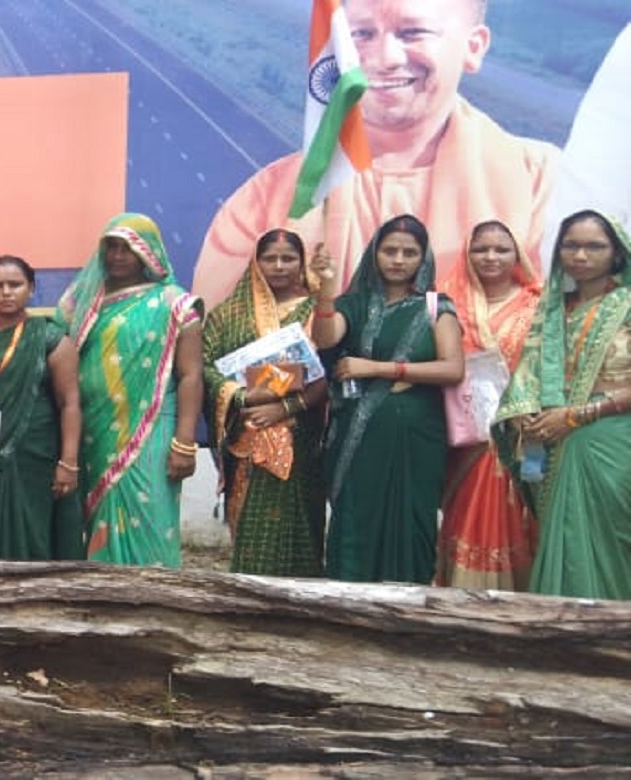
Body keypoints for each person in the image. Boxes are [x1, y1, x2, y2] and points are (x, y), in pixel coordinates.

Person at [195, 0, 557, 310]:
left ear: (473, 47)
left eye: (412, 33)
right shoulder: (265, 201)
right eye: (362, 34)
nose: (385, 59)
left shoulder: (538, 182)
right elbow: (218, 337)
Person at [312, 214, 466, 584]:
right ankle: (347, 604)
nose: (398, 260)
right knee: (355, 518)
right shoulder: (354, 303)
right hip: (358, 440)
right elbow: (326, 337)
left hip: (415, 439)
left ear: (423, 258)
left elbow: (452, 369)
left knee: (411, 523)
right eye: (390, 250)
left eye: (409, 253)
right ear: (374, 253)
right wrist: (326, 287)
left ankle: (407, 607)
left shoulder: (436, 307)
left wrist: (379, 369)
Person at [496, 210, 631, 600]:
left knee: (610, 538)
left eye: (594, 246)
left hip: (611, 440)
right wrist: (523, 415)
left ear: (617, 253)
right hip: (551, 441)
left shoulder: (626, 305)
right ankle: (561, 625)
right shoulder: (553, 309)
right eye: (571, 245)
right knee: (563, 537)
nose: (580, 255)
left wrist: (577, 415)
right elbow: (529, 373)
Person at [59, 213, 204, 568]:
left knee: (149, 509)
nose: (118, 256)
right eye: (111, 247)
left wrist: (185, 442)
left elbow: (191, 376)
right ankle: (105, 591)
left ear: (149, 251)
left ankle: (156, 592)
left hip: (152, 428)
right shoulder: (82, 302)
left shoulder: (174, 304)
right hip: (95, 432)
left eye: (128, 248)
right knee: (99, 516)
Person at [202, 229, 330, 577]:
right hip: (245, 442)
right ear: (255, 263)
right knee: (252, 533)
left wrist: (283, 408)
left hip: (301, 441)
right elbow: (205, 368)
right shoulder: (228, 314)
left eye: (288, 258)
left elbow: (327, 372)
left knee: (298, 531)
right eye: (270, 258)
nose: (279, 266)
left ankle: (300, 601)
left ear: (302, 263)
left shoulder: (316, 311)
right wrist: (242, 395)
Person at [0, 256, 84, 560]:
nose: (7, 292)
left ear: (31, 288)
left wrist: (69, 463)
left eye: (16, 284)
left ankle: (32, 589)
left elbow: (70, 403)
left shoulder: (50, 338)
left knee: (32, 532)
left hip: (32, 456)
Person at [437, 220, 540, 589]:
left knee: (526, 518)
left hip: (525, 437)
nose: (490, 257)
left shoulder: (539, 305)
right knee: (466, 516)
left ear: (517, 255)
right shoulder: (448, 305)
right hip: (467, 441)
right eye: (481, 249)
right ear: (467, 254)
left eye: (501, 249)